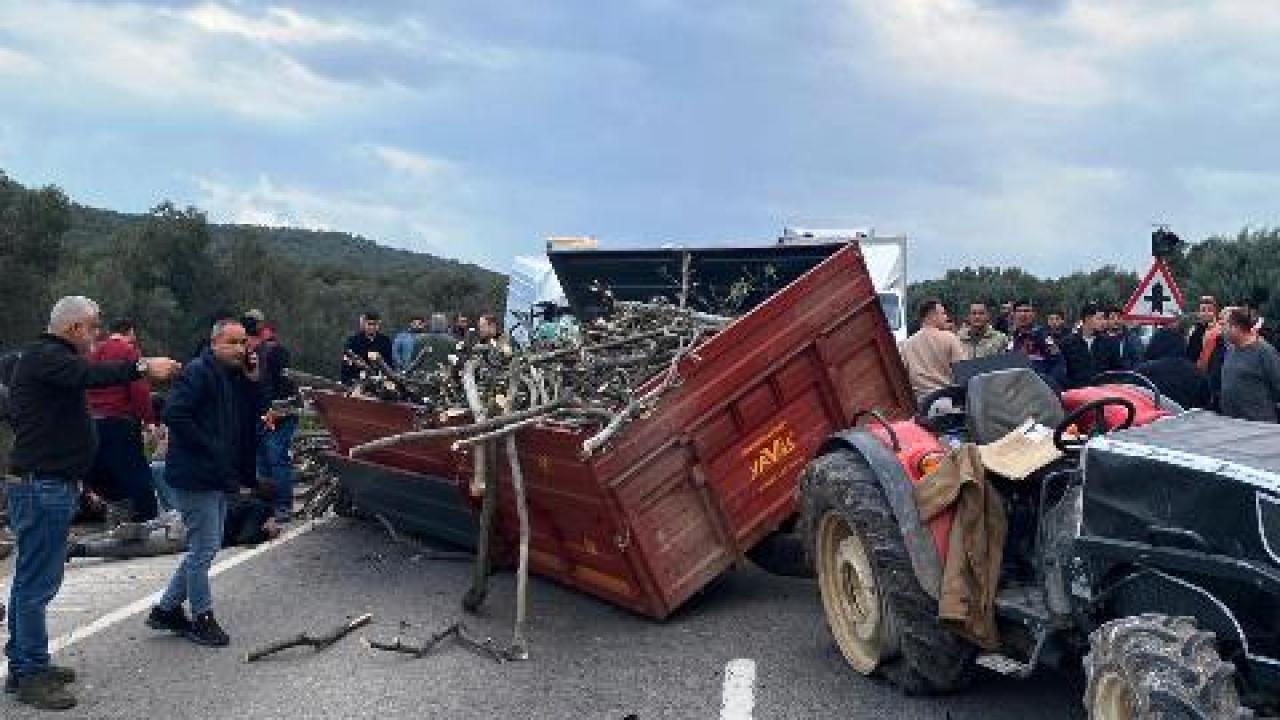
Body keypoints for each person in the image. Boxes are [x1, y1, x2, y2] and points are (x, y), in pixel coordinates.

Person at [5, 296, 179, 710]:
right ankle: (30, 673)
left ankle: (25, 663)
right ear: (74, 328)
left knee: (32, 581)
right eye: (94, 327)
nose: (98, 335)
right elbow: (90, 374)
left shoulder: (47, 359)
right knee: (37, 584)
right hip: (41, 486)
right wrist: (141, 366)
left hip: (49, 484)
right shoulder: (47, 356)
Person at [146, 319, 263, 649]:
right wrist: (210, 447)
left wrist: (252, 375)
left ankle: (166, 609)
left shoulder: (228, 375)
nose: (241, 349)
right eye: (233, 343)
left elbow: (252, 404)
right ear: (214, 343)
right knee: (205, 548)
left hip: (214, 474)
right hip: (195, 475)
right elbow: (174, 413)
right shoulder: (199, 372)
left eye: (244, 343)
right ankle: (202, 617)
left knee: (205, 546)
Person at [84, 318, 160, 524]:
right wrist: (148, 419)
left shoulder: (93, 352)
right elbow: (139, 389)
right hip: (120, 419)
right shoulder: (128, 352)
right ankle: (147, 517)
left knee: (105, 471)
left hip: (93, 420)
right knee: (135, 469)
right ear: (130, 332)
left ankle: (117, 513)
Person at [243, 309, 298, 523]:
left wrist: (276, 411)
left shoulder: (275, 352)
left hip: (280, 413)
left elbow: (286, 386)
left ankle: (283, 505)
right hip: (260, 414)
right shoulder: (249, 356)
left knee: (276, 458)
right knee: (262, 461)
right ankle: (267, 504)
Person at [1218, 307, 1280, 423]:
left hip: (1259, 428)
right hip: (1232, 425)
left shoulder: (1264, 351)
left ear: (1236, 327)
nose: (1220, 329)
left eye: (1223, 325)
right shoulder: (1231, 349)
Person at [899, 299, 966, 400]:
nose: (946, 317)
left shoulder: (906, 345)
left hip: (920, 402)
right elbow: (962, 371)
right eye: (943, 314)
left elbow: (902, 377)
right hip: (946, 399)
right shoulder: (950, 338)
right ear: (932, 316)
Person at [1136, 327, 1210, 410]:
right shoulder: (1196, 372)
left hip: (1150, 419)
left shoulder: (1142, 370)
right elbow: (1205, 402)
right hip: (1185, 419)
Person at [1060, 303, 1122, 389]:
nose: (1103, 322)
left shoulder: (1110, 343)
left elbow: (1117, 371)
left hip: (1103, 394)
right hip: (1076, 394)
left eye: (1104, 318)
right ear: (1088, 319)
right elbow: (1063, 372)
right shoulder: (1067, 343)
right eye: (1099, 319)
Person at [1007, 299, 1066, 388]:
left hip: (1040, 389)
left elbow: (1059, 364)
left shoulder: (1043, 336)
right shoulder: (1012, 339)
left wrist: (1049, 384)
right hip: (1017, 389)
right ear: (1014, 315)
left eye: (1026, 311)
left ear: (1033, 314)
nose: (1023, 314)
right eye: (1019, 311)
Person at [341, 312, 394, 384]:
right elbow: (346, 365)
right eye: (369, 324)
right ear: (363, 324)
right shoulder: (353, 341)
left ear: (378, 325)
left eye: (374, 324)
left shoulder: (385, 341)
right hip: (358, 379)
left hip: (381, 379)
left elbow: (389, 362)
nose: (372, 327)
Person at [1187, 295, 1220, 369]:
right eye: (1203, 310)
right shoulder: (1193, 329)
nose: (1206, 313)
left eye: (1210, 310)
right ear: (1198, 312)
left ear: (1215, 312)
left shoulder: (1218, 330)